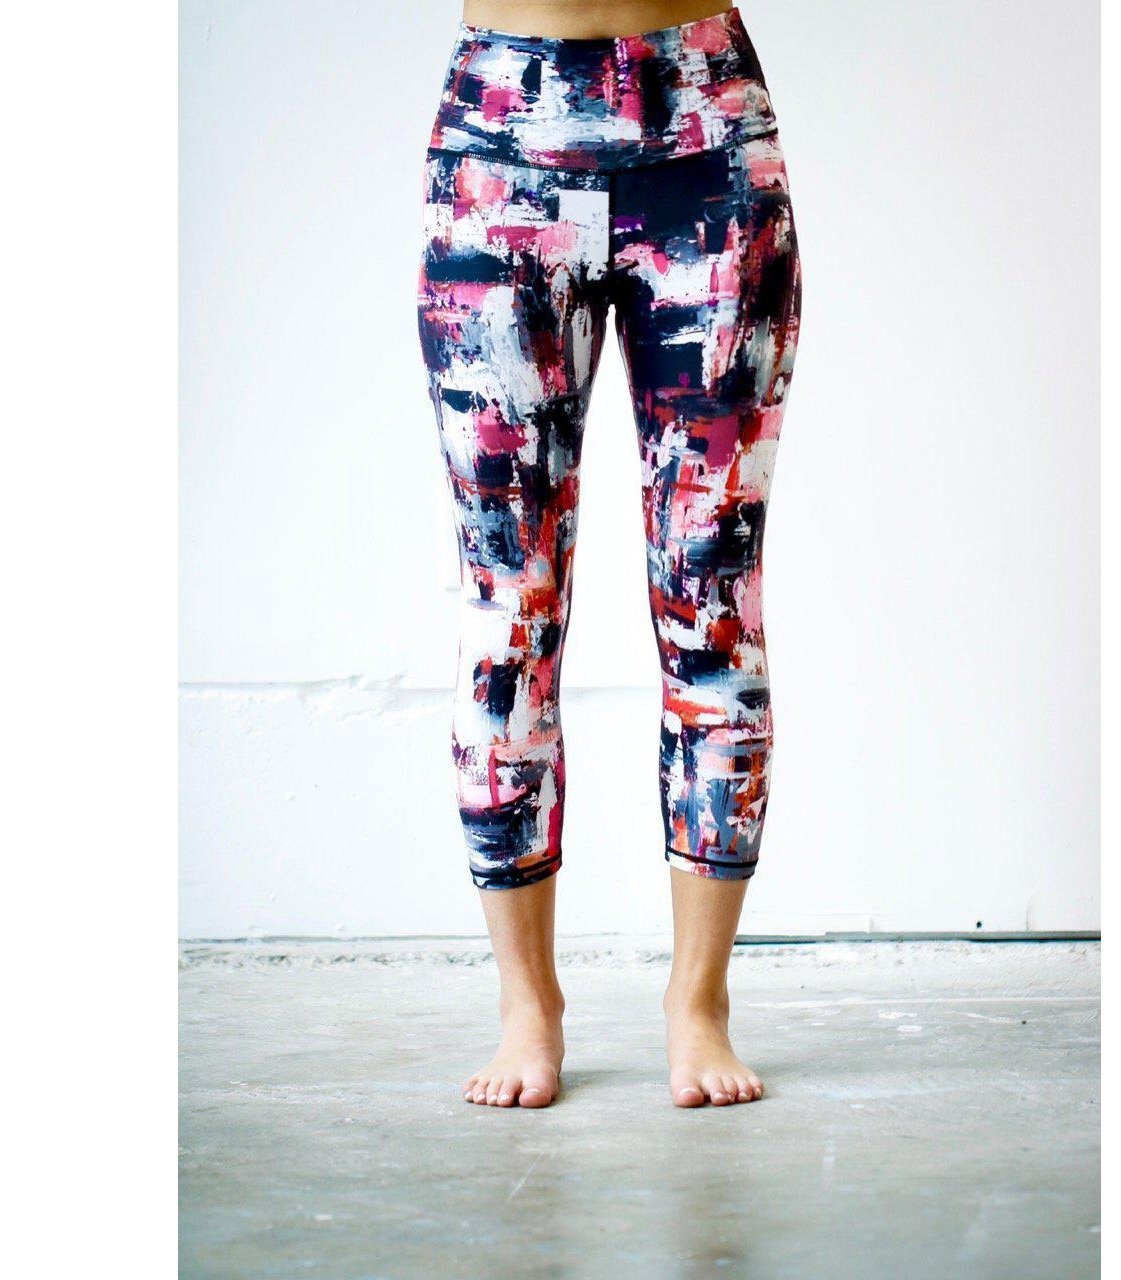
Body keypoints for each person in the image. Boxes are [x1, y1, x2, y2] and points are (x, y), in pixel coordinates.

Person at [418, 0, 802, 1108]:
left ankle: (699, 1001)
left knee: (711, 598)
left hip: (705, 132)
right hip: (500, 145)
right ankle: (526, 1005)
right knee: (508, 607)